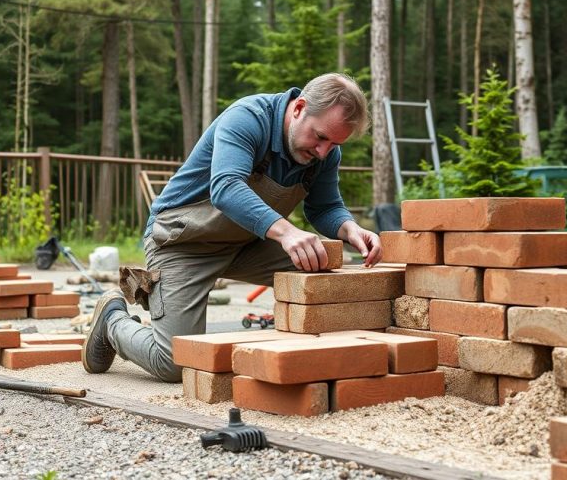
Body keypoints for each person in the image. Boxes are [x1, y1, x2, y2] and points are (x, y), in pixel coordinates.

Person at [82, 72, 382, 382]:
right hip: (184, 242)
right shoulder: (248, 118)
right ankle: (112, 322)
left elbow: (325, 207)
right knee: (174, 363)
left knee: (324, 268)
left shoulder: (325, 152)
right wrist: (287, 232)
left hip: (247, 243)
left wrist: (350, 229)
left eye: (334, 144)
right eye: (320, 137)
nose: (323, 151)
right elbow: (226, 187)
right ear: (299, 108)